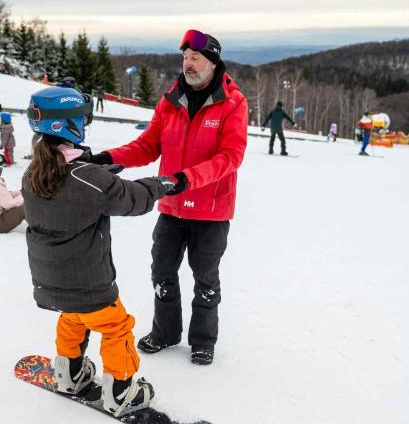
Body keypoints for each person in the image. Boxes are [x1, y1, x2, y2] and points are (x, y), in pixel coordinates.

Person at [84, 29, 247, 366]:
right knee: (162, 271)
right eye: (185, 58)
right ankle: (165, 332)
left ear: (213, 62)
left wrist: (188, 179)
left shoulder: (234, 104)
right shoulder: (170, 101)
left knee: (205, 278)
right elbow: (147, 146)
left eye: (195, 58)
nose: (188, 64)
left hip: (210, 211)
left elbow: (230, 157)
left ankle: (203, 340)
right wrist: (107, 158)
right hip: (172, 205)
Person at [22, 86, 175, 417]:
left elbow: (74, 187)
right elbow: (132, 199)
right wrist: (159, 185)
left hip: (50, 282)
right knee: (116, 325)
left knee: (73, 317)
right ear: (72, 124)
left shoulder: (33, 173)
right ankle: (121, 391)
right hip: (89, 282)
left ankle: (69, 373)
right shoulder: (89, 179)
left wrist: (102, 175)